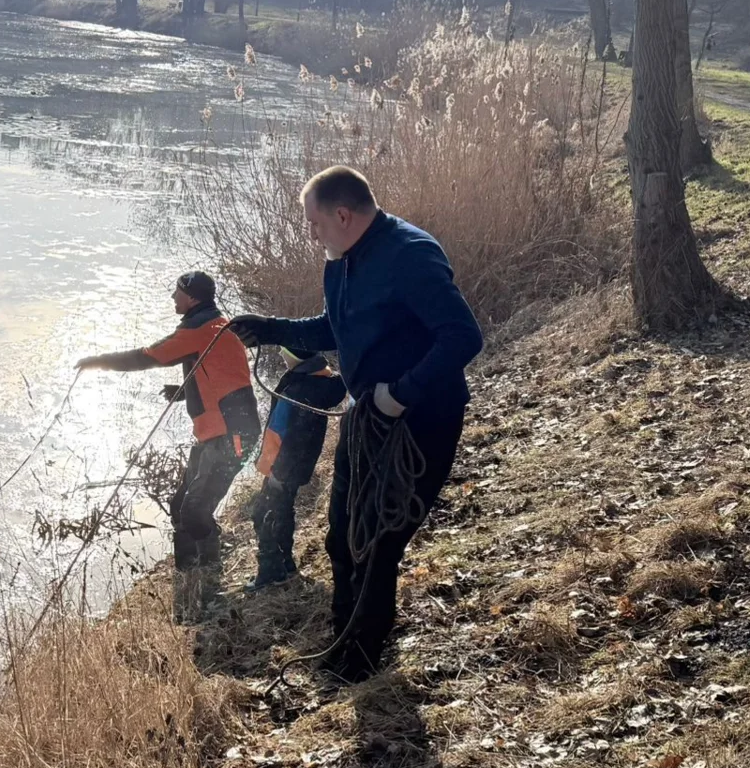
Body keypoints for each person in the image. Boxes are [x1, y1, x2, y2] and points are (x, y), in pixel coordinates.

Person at [227, 166, 483, 681]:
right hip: (366, 417)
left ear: (342, 215)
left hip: (420, 422)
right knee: (342, 535)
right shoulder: (342, 258)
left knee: (379, 543)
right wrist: (270, 328)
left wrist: (399, 395)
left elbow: (463, 337)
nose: (311, 233)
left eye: (314, 223)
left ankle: (361, 662)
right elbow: (336, 326)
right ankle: (344, 635)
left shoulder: (411, 254)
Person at [77, 270, 260, 622]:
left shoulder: (199, 330)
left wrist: (96, 362)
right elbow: (220, 376)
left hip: (231, 436)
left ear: (191, 297)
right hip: (216, 433)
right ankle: (186, 575)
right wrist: (184, 393)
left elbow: (146, 356)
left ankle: (210, 581)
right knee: (181, 505)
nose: (173, 298)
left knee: (195, 511)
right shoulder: (215, 326)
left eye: (177, 292)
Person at [249, 348, 346, 591]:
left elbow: (284, 434)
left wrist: (276, 470)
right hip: (291, 464)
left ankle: (272, 573)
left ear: (297, 357)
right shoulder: (317, 380)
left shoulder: (299, 390)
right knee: (280, 511)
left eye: (285, 352)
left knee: (265, 514)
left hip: (283, 465)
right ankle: (286, 566)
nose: (281, 354)